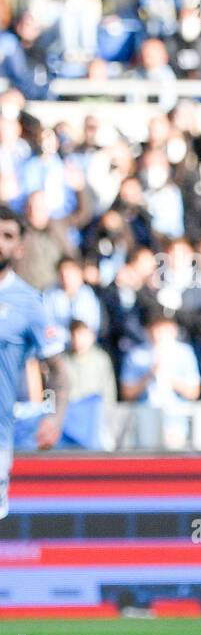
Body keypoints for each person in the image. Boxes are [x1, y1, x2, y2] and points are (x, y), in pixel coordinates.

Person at [0, 205, 67, 519]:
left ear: (19, 248)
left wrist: (55, 415)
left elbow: (58, 370)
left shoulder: (29, 302)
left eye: (7, 236)